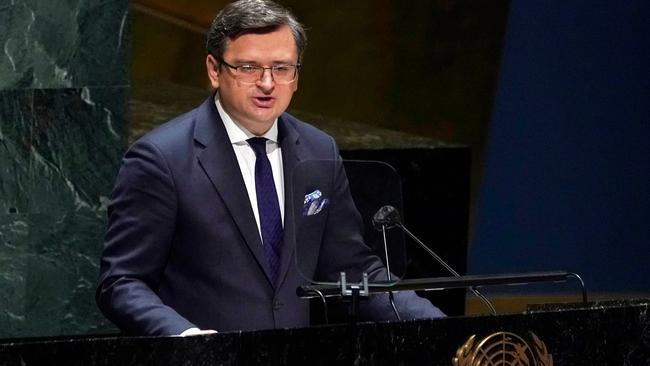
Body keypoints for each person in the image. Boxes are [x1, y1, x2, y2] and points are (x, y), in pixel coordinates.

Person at [96, 0, 444, 336]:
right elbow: (122, 282)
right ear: (214, 70)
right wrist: (185, 336)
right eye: (248, 67)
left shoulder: (318, 149)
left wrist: (440, 328)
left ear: (296, 74)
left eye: (281, 68)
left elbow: (351, 269)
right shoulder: (161, 158)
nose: (267, 83)